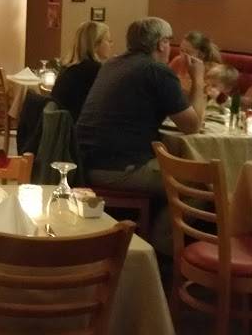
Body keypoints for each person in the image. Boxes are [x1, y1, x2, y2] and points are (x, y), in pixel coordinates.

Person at [76, 17, 206, 254]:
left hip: (86, 161)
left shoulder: (112, 64)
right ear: (161, 44)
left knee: (174, 162)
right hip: (120, 169)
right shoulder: (156, 70)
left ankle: (153, 238)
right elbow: (192, 126)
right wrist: (198, 79)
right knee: (200, 183)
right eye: (169, 41)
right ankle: (160, 248)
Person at [50, 21, 113, 122]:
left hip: (61, 125)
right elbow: (104, 104)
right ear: (95, 44)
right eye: (108, 41)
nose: (111, 45)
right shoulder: (93, 69)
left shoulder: (68, 67)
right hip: (78, 126)